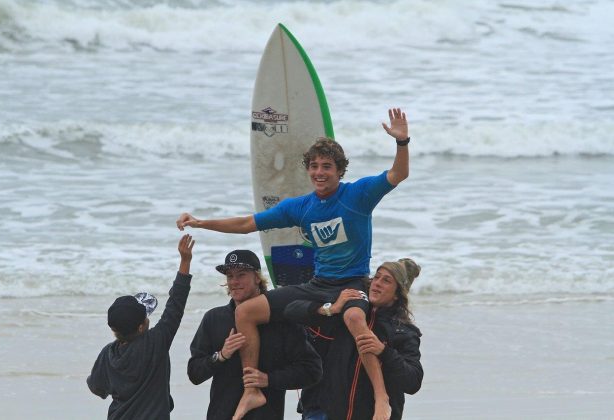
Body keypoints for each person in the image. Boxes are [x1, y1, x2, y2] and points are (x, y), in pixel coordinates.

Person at [177, 108, 411, 420]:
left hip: (353, 281)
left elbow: (398, 174)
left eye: (327, 166)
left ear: (340, 170)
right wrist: (201, 222)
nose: (319, 172)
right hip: (319, 285)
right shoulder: (301, 207)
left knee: (355, 318)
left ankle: (381, 398)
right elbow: (248, 222)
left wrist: (402, 142)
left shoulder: (359, 195)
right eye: (314, 166)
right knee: (246, 311)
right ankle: (252, 391)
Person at [187, 249, 323, 420]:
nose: (234, 282)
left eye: (241, 274)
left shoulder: (281, 320)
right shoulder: (214, 318)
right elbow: (194, 374)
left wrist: (268, 379)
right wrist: (221, 356)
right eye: (230, 276)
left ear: (258, 278)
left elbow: (312, 370)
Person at [285, 258, 424, 420]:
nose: (377, 283)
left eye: (386, 281)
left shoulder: (404, 332)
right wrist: (329, 309)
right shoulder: (346, 311)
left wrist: (384, 351)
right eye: (377, 277)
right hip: (324, 411)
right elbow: (291, 310)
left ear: (397, 294)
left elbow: (413, 382)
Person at [87, 234, 195, 419]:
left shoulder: (107, 354)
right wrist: (185, 260)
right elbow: (176, 304)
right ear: (140, 327)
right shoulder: (155, 342)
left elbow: (97, 388)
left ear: (114, 329)